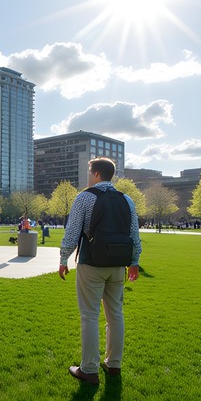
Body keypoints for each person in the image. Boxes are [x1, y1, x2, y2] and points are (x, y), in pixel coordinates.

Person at [59, 157, 142, 385]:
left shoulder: (85, 197)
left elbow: (73, 232)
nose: (88, 175)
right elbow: (134, 235)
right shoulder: (127, 200)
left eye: (89, 171)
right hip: (118, 265)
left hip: (92, 263)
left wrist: (63, 257)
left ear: (96, 174)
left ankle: (89, 369)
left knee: (89, 316)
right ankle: (113, 364)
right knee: (115, 315)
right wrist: (134, 262)